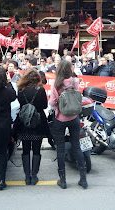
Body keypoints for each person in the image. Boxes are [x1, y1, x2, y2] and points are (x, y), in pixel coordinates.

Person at [49, 60, 88, 190]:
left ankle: (63, 180)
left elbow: (52, 102)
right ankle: (83, 179)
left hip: (60, 118)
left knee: (60, 149)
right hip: (74, 117)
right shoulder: (75, 81)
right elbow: (78, 97)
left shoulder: (57, 84)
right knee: (77, 146)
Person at [15, 70, 49, 185]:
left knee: (25, 149)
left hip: (24, 122)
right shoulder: (41, 90)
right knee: (36, 150)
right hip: (38, 122)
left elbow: (19, 104)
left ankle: (27, 176)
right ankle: (34, 176)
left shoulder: (21, 90)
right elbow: (44, 105)